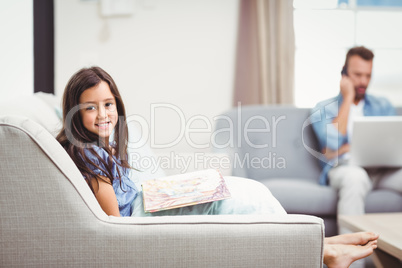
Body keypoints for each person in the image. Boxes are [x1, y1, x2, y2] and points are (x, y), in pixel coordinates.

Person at [57, 66, 378, 268]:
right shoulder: (87, 154)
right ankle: (322, 253)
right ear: (74, 111)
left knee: (244, 188)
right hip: (144, 212)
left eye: (108, 104)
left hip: (149, 197)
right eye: (90, 107)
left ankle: (319, 246)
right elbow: (115, 224)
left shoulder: (100, 147)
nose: (103, 114)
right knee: (241, 201)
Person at [311, 46, 402, 232]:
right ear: (344, 73)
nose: (363, 81)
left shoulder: (383, 105)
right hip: (345, 169)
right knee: (356, 177)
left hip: (382, 171)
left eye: (368, 75)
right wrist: (348, 98)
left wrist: (348, 147)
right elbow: (333, 143)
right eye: (357, 74)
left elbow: (393, 144)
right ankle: (350, 259)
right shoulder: (323, 109)